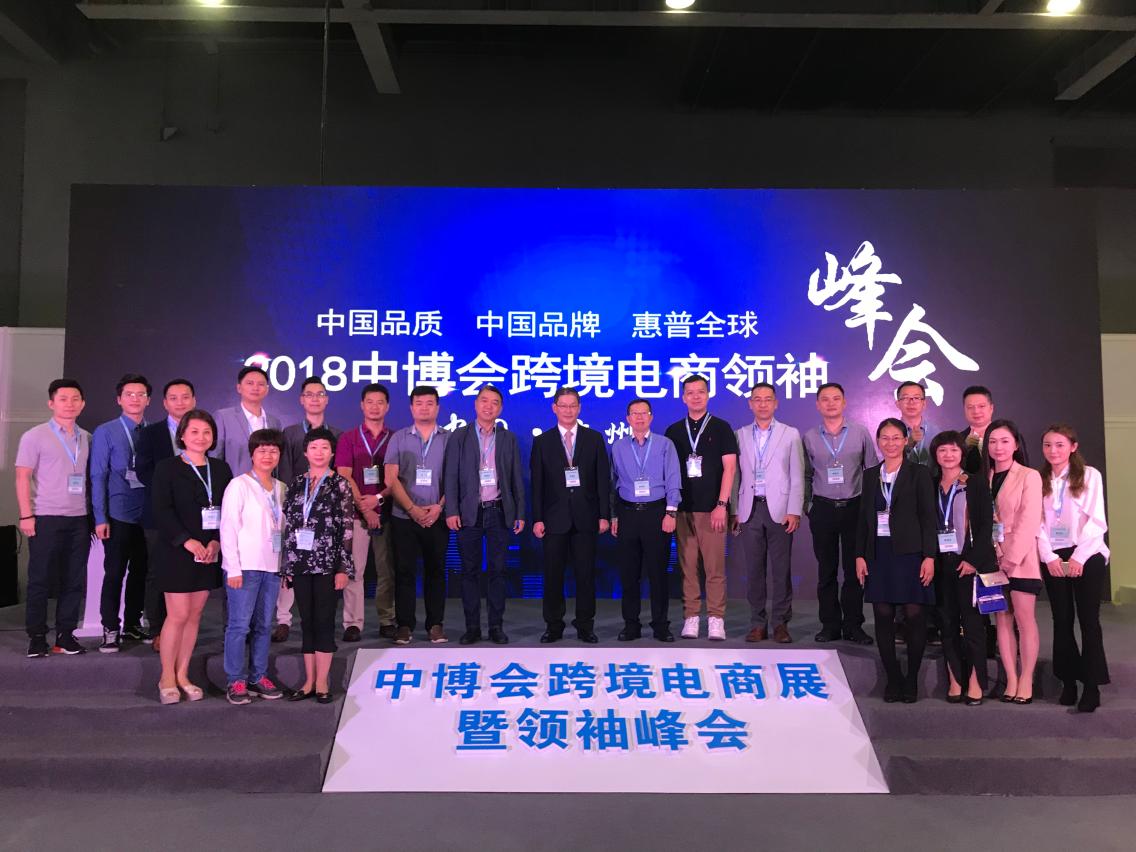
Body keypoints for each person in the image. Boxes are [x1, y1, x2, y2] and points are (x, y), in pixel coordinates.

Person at [150, 409, 233, 704]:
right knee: (178, 615)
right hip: (177, 551)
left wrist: (216, 542)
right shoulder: (167, 468)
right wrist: (187, 541)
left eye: (207, 432)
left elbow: (228, 511)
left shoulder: (221, 469)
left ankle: (183, 674)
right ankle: (166, 677)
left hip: (209, 552)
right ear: (182, 435)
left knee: (195, 615)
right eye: (194, 431)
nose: (201, 437)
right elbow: (161, 510)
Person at [855, 418, 937, 703]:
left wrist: (929, 556)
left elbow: (929, 518)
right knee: (882, 614)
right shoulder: (870, 475)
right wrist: (860, 555)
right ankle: (893, 677)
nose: (890, 443)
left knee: (914, 615)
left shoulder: (919, 473)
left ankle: (912, 678)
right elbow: (863, 520)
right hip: (879, 554)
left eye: (896, 438)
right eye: (885, 438)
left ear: (905, 441)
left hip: (911, 553)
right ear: (878, 441)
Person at [15, 379, 92, 658]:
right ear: (51, 403)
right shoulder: (34, 436)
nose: (69, 404)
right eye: (63, 399)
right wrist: (26, 515)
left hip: (79, 518)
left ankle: (65, 635)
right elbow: (22, 477)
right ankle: (37, 637)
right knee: (40, 579)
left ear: (82, 404)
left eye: (75, 399)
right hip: (45, 516)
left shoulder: (86, 437)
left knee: (74, 580)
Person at [444, 385, 526, 645]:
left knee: (498, 571)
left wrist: (520, 512)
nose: (488, 406)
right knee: (469, 571)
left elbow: (516, 477)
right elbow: (450, 476)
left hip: (498, 510)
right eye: (484, 401)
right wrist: (451, 510)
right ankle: (472, 627)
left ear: (500, 408)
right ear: (476, 404)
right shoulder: (459, 436)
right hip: (469, 512)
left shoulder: (508, 438)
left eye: (494, 402)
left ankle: (495, 626)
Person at [1038, 424, 1110, 713]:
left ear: (1073, 447)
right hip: (1054, 555)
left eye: (1059, 445)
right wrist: (1049, 556)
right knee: (1062, 619)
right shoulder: (1039, 478)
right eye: (1047, 445)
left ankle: (1091, 686)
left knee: (1089, 620)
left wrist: (1079, 557)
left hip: (1087, 553)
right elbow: (1036, 523)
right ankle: (1068, 681)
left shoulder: (1089, 475)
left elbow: (1096, 521)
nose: (1053, 450)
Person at [531, 386, 611, 644]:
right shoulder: (542, 441)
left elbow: (603, 480)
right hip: (554, 519)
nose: (568, 410)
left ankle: (585, 625)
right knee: (553, 575)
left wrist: (604, 515)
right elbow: (537, 484)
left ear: (579, 408)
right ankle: (553, 625)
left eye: (572, 405)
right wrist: (537, 518)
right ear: (554, 408)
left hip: (586, 517)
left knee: (585, 575)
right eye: (563, 406)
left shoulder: (594, 438)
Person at [281, 427, 353, 704]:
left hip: (327, 564)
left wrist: (343, 567)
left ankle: (323, 681)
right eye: (314, 447)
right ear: (305, 452)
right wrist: (288, 564)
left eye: (324, 448)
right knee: (306, 621)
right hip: (300, 563)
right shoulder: (296, 483)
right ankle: (308, 681)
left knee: (324, 621)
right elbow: (290, 526)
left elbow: (347, 528)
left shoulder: (340, 484)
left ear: (332, 452)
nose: (319, 453)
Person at [802, 382, 879, 645]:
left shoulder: (860, 432)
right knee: (826, 571)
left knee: (854, 571)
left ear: (844, 402)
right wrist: (808, 506)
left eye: (836, 398)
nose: (831, 403)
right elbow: (805, 475)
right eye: (825, 399)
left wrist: (869, 509)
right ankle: (830, 625)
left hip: (854, 508)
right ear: (817, 405)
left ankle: (854, 626)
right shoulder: (809, 437)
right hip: (823, 508)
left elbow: (871, 471)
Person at [664, 375, 738, 641]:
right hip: (683, 510)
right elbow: (668, 472)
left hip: (712, 510)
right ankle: (691, 617)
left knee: (714, 569)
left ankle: (716, 618)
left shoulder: (722, 427)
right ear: (683, 397)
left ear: (708, 395)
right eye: (690, 392)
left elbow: (730, 468)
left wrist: (722, 504)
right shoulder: (673, 431)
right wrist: (671, 509)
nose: (696, 396)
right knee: (688, 568)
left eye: (701, 392)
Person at [730, 383, 804, 644]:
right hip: (749, 509)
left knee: (781, 570)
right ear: (750, 404)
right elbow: (735, 476)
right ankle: (757, 623)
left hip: (781, 510)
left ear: (776, 403)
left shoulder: (790, 433)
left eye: (768, 399)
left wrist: (794, 510)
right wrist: (734, 510)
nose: (762, 404)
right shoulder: (739, 435)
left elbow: (797, 474)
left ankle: (781, 623)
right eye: (757, 399)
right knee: (754, 570)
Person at [219, 429, 287, 706]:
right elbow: (228, 527)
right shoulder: (239, 485)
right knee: (239, 626)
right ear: (252, 454)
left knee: (264, 625)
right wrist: (232, 568)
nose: (268, 455)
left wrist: (284, 566)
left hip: (272, 567)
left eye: (273, 451)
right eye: (262, 450)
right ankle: (235, 679)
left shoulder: (281, 488)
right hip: (244, 568)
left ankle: (258, 676)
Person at [272, 376, 342, 643]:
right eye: (309, 394)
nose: (315, 399)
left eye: (320, 394)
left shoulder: (337, 434)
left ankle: (323, 622)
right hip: (296, 510)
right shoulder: (289, 433)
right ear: (301, 400)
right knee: (290, 562)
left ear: (327, 399)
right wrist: (292, 506)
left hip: (325, 514)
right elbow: (284, 471)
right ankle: (283, 620)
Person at [930, 431, 995, 706]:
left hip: (967, 563)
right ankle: (955, 678)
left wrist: (973, 560)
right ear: (935, 455)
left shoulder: (975, 483)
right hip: (939, 564)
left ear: (962, 453)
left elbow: (986, 525)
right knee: (946, 623)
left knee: (972, 624)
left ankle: (976, 682)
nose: (948, 455)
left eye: (953, 450)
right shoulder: (930, 484)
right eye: (942, 450)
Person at [90, 373, 152, 652]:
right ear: (119, 399)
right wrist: (100, 517)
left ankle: (132, 623)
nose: (135, 399)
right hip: (118, 514)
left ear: (148, 400)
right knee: (114, 572)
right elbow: (97, 475)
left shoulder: (154, 432)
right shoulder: (106, 431)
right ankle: (110, 628)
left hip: (147, 515)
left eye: (141, 394)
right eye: (129, 394)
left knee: (142, 571)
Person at [610, 398, 681, 643]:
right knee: (629, 574)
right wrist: (614, 515)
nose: (639, 417)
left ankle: (661, 625)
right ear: (628, 418)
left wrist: (671, 512)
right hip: (628, 513)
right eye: (634, 413)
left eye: (644, 413)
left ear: (651, 417)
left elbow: (673, 478)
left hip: (657, 513)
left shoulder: (664, 444)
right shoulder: (618, 447)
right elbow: (612, 483)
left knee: (658, 573)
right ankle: (631, 625)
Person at [384, 385, 450, 645]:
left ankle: (435, 624)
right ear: (411, 408)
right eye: (419, 403)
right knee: (404, 572)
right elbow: (390, 478)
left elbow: (456, 479)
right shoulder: (399, 438)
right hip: (403, 517)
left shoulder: (449, 438)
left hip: (437, 516)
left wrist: (439, 507)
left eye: (429, 403)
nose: (424, 408)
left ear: (438, 407)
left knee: (436, 571)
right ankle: (404, 625)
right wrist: (412, 509)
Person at [330, 382, 395, 644]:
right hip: (357, 515)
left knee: (386, 571)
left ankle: (387, 620)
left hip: (388, 513)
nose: (375, 407)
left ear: (387, 407)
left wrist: (377, 500)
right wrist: (364, 507)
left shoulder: (395, 438)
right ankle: (353, 623)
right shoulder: (349, 438)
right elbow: (344, 475)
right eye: (370, 402)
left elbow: (397, 479)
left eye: (380, 402)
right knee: (355, 571)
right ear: (361, 405)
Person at [135, 378, 197, 653]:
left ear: (194, 400)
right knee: (157, 572)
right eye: (174, 398)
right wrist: (170, 494)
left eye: (185, 397)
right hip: (159, 516)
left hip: (194, 518)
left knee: (189, 574)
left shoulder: (201, 431)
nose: (180, 402)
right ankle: (158, 629)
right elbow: (143, 471)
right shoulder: (151, 433)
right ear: (164, 403)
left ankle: (186, 627)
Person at [984, 418, 1043, 704]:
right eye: (993, 441)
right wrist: (994, 554)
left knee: (1024, 619)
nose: (999, 447)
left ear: (1016, 444)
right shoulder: (982, 477)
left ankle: (1027, 678)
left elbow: (1029, 521)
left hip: (1021, 559)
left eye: (1005, 441)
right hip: (991, 559)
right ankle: (1010, 678)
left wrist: (1010, 558)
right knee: (1001, 620)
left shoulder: (1029, 476)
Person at [211, 365, 282, 476]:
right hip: (233, 483)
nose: (255, 388)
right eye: (250, 383)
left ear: (267, 390)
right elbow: (215, 457)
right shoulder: (223, 417)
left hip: (267, 484)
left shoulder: (274, 422)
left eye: (261, 384)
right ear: (239, 388)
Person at [896, 381, 939, 468]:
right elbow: (888, 461)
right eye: (905, 398)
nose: (911, 402)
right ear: (898, 404)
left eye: (916, 398)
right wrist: (909, 444)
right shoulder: (891, 432)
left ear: (924, 404)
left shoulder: (936, 432)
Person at [960, 385, 996, 476]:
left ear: (991, 408)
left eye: (981, 406)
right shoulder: (958, 440)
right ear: (964, 409)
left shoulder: (1008, 435)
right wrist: (965, 448)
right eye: (970, 407)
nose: (976, 411)